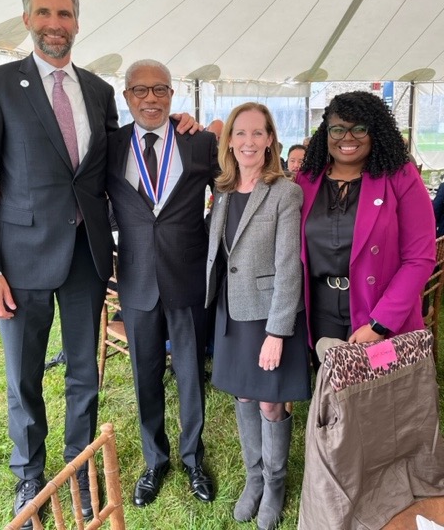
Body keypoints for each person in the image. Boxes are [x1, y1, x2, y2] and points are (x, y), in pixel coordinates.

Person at [0, 0, 194, 528]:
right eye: (44, 14)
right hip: (19, 264)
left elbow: (119, 159)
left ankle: (81, 467)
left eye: (64, 15)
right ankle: (29, 475)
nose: (54, 25)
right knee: (23, 376)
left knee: (83, 377)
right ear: (28, 20)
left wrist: (181, 128)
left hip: (88, 259)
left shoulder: (97, 90)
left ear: (76, 22)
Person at [106, 59, 219, 508]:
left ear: (172, 94)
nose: (150, 99)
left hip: (187, 275)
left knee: (191, 374)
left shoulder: (199, 142)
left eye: (159, 90)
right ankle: (156, 460)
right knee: (144, 376)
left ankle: (193, 458)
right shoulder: (110, 145)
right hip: (135, 281)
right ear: (126, 96)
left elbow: (231, 192)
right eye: (140, 90)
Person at [206, 102, 311, 530]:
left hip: (269, 315)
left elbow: (290, 266)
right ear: (229, 140)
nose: (248, 141)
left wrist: (277, 332)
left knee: (270, 401)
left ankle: (275, 483)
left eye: (257, 133)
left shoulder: (285, 191)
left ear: (270, 140)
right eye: (241, 133)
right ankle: (253, 478)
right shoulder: (225, 190)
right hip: (232, 311)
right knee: (244, 395)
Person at [296, 91, 436, 369]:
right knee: (333, 394)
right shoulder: (307, 180)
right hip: (320, 309)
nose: (347, 138)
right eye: (338, 129)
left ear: (376, 132)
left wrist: (380, 323)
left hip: (378, 310)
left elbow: (420, 258)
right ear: (326, 132)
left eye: (359, 128)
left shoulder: (401, 177)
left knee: (379, 400)